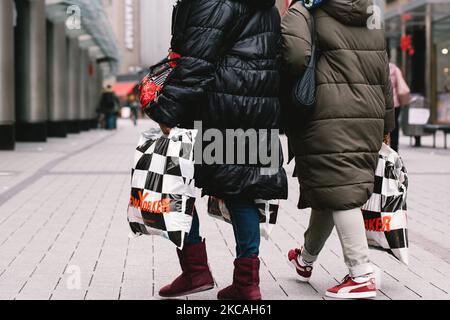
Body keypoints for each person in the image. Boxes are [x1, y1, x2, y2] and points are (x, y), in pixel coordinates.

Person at [146, 0, 287, 300]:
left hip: (218, 107)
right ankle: (247, 283)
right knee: (241, 191)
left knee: (175, 181)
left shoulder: (211, 2)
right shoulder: (267, 6)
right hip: (257, 104)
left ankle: (195, 270)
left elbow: (196, 62)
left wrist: (166, 111)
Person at [281, 0, 395, 299]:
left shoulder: (304, 9)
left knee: (340, 190)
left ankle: (361, 273)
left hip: (326, 112)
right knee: (332, 187)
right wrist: (387, 123)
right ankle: (305, 259)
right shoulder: (373, 11)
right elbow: (384, 68)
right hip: (369, 114)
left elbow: (294, 57)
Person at [389, 63, 411, 152]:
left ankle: (383, 148)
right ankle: (394, 148)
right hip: (395, 103)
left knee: (383, 126)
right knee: (395, 125)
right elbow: (401, 84)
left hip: (382, 102)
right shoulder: (395, 69)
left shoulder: (378, 66)